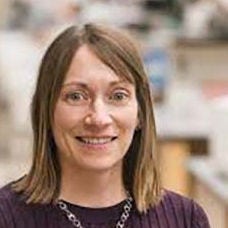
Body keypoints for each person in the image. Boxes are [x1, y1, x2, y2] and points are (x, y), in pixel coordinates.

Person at [0, 23, 210, 228]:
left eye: (118, 95)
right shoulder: (6, 217)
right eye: (76, 96)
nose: (99, 118)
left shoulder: (186, 219)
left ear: (140, 113)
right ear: (46, 110)